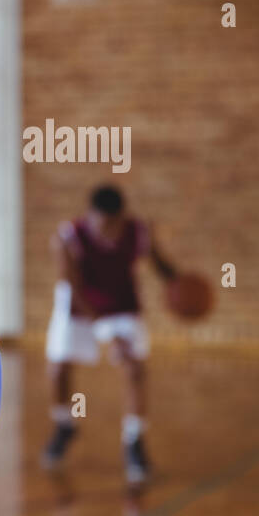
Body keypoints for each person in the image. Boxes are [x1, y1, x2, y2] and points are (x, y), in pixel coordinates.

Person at [42, 184, 177, 484]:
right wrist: (105, 332)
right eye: (100, 224)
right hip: (79, 305)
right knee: (58, 368)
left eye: (112, 225)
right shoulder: (68, 237)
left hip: (121, 304)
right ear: (90, 216)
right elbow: (74, 288)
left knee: (135, 368)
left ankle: (134, 442)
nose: (106, 231)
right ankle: (64, 425)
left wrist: (178, 282)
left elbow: (158, 263)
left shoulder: (138, 232)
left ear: (121, 219)